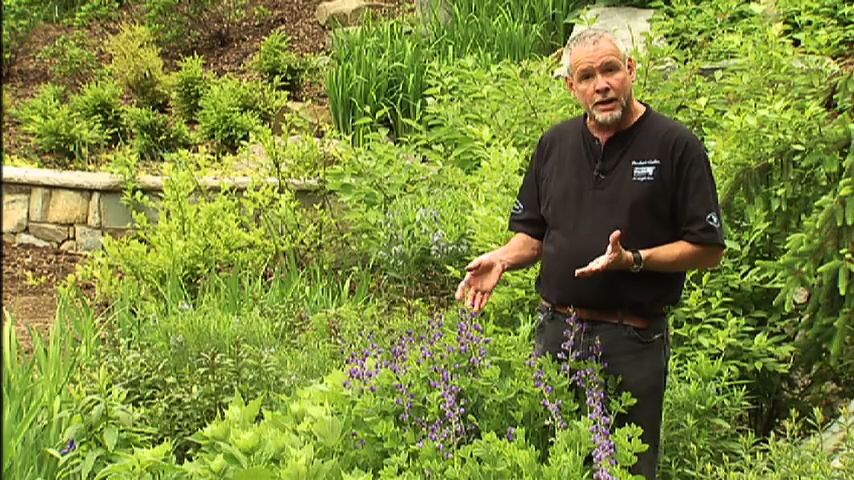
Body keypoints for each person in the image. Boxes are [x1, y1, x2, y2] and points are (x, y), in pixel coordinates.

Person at [454, 28, 727, 479]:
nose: (601, 84)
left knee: (626, 469)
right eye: (586, 75)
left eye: (610, 69)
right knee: (554, 464)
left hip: (631, 342)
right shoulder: (555, 145)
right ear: (571, 87)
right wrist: (502, 258)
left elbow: (708, 249)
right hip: (557, 335)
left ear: (631, 71)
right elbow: (535, 235)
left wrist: (634, 260)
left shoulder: (675, 146)